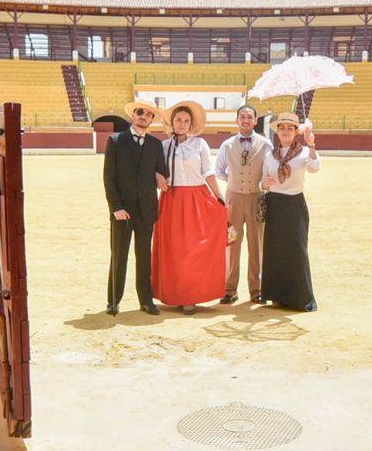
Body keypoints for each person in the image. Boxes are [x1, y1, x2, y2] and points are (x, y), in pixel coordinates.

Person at [151, 101, 229, 314]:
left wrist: (220, 198)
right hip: (172, 200)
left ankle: (191, 297)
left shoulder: (200, 144)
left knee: (194, 249)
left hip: (197, 198)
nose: (182, 124)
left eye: (186, 121)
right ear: (172, 123)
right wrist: (157, 176)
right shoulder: (163, 146)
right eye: (179, 120)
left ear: (191, 124)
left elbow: (208, 173)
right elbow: (153, 171)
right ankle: (174, 295)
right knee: (174, 250)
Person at [103, 101, 171, 315]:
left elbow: (162, 172)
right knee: (119, 255)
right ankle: (113, 300)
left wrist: (159, 175)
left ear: (152, 120)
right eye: (140, 112)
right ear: (134, 115)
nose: (144, 116)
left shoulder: (155, 144)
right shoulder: (115, 141)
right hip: (122, 211)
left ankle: (145, 300)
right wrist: (116, 207)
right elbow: (109, 178)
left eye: (149, 114)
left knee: (144, 256)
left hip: (146, 210)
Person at [258, 111, 320, 311]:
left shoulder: (303, 152)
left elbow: (314, 168)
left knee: (296, 249)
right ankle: (277, 296)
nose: (285, 131)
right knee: (275, 250)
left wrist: (311, 145)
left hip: (294, 205)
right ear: (276, 132)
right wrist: (263, 184)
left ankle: (300, 298)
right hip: (275, 204)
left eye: (290, 128)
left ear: (296, 132)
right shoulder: (270, 155)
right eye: (281, 128)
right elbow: (263, 181)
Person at [213, 104, 271, 304]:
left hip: (256, 197)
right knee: (232, 243)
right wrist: (232, 181)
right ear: (237, 120)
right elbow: (218, 169)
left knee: (256, 245)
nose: (246, 120)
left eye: (249, 117)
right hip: (234, 199)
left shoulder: (265, 144)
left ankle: (257, 290)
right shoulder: (227, 145)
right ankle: (230, 289)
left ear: (255, 120)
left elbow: (270, 169)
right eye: (242, 117)